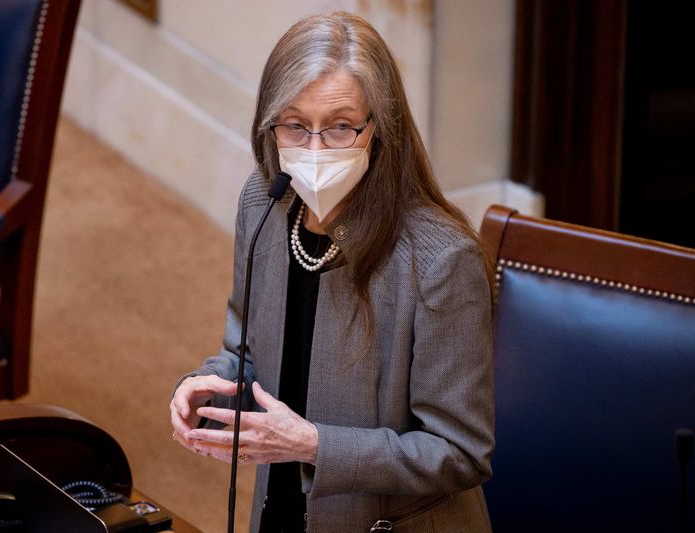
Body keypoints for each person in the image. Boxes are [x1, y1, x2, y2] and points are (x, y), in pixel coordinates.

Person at [170, 11, 494, 532]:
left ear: (378, 130)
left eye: (341, 126)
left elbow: (460, 453)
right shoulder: (264, 204)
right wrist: (206, 387)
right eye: (295, 125)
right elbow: (246, 351)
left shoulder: (441, 260)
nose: (314, 149)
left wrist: (315, 446)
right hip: (280, 507)